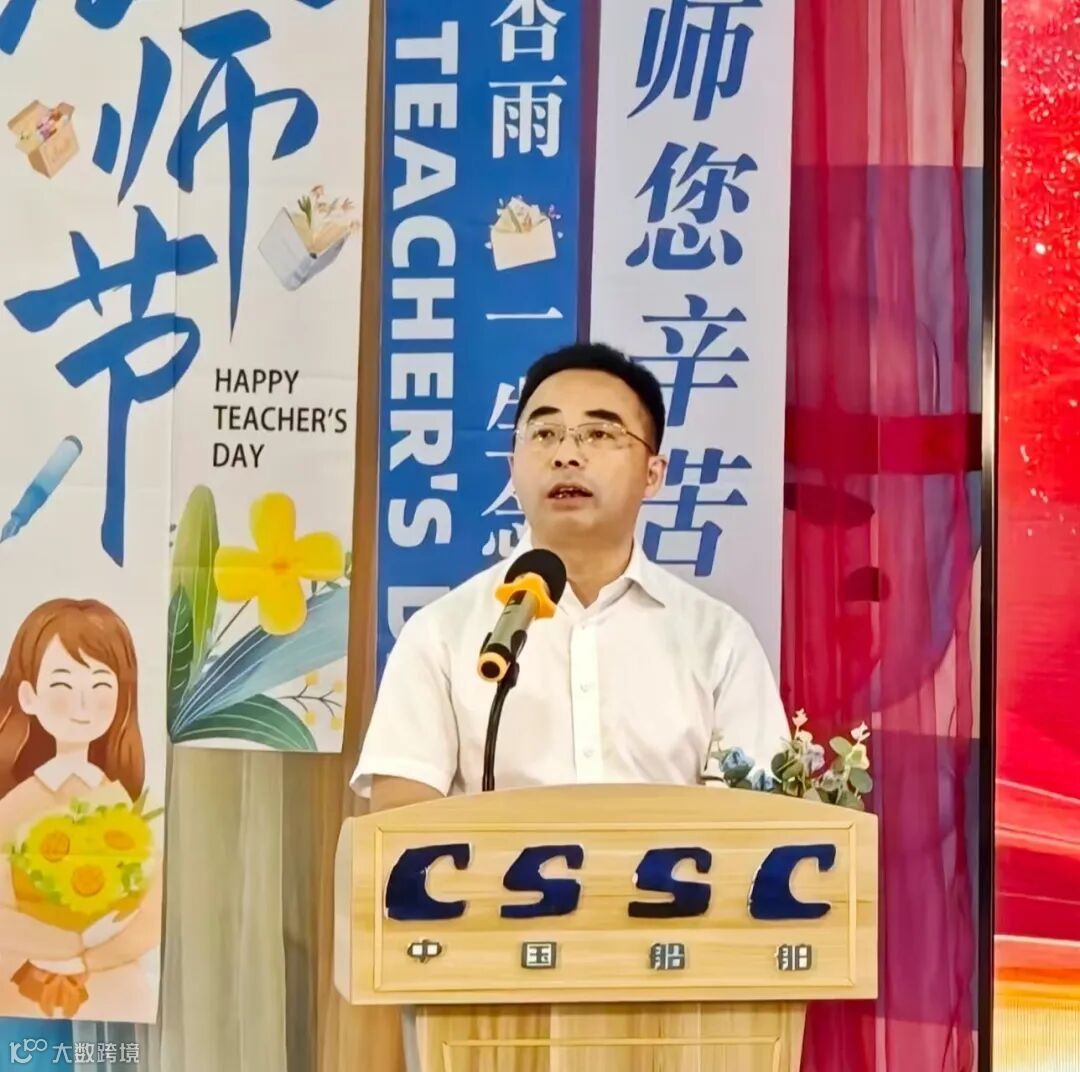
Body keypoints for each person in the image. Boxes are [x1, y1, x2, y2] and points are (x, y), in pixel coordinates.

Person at [353, 342, 789, 811]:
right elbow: (399, 822)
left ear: (653, 474)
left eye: (599, 434)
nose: (566, 455)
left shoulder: (718, 640)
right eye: (544, 433)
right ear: (512, 467)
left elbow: (760, 822)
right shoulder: (441, 634)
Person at [0, 598, 162, 1020]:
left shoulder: (120, 804)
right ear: (29, 696)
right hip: (22, 992)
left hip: (114, 996)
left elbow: (152, 906)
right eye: (62, 686)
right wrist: (70, 944)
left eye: (101, 687)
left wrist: (94, 955)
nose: (83, 706)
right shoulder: (18, 804)